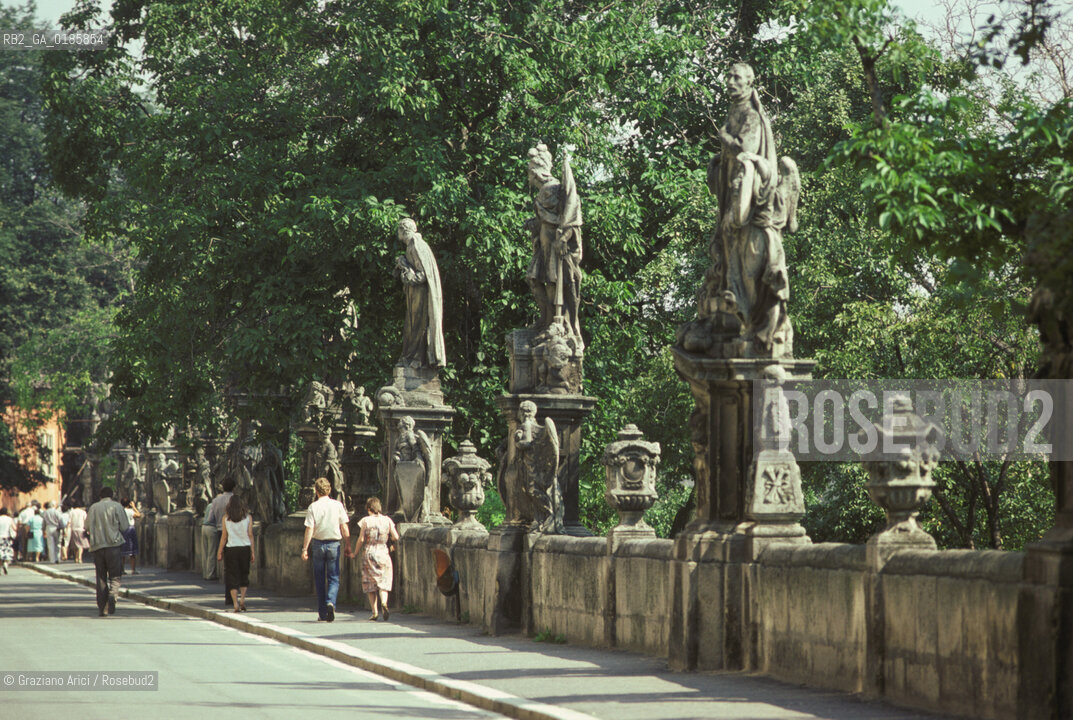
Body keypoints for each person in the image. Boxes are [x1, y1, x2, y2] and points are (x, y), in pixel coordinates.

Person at [394, 218, 446, 369]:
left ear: (404, 230)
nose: (398, 233)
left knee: (417, 326)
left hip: (421, 294)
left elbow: (423, 275)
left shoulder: (416, 245)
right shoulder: (411, 246)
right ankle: (410, 358)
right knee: (411, 326)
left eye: (399, 230)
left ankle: (416, 359)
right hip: (414, 294)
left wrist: (409, 276)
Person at [301, 477, 350, 622]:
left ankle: (322, 612)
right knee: (334, 577)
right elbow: (344, 527)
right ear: (329, 490)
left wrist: (305, 548)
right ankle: (331, 602)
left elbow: (309, 528)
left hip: (318, 544)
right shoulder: (338, 505)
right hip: (334, 543)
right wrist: (348, 544)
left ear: (316, 491)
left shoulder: (313, 507)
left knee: (320, 578)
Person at [351, 497, 399, 621]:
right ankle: (384, 602)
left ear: (368, 508)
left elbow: (361, 539)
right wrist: (391, 542)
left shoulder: (366, 521)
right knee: (383, 582)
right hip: (383, 552)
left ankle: (375, 612)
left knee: (370, 583)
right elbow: (396, 536)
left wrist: (355, 553)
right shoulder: (387, 520)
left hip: (369, 553)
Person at [87, 487, 130, 616]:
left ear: (100, 496)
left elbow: (87, 526)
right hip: (114, 545)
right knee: (115, 576)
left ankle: (102, 608)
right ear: (112, 495)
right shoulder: (117, 507)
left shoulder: (93, 508)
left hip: (97, 546)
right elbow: (125, 526)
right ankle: (113, 594)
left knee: (101, 577)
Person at [216, 494, 254, 613]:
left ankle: (235, 603)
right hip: (245, 548)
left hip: (231, 549)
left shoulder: (226, 518)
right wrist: (252, 551)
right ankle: (242, 599)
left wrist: (220, 551)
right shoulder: (248, 517)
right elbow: (250, 535)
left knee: (232, 577)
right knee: (244, 574)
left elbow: (224, 537)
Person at [203, 476, 236, 605]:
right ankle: (232, 592)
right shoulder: (235, 499)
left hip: (219, 530)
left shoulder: (216, 500)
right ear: (234, 487)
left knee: (225, 561)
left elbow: (210, 517)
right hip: (233, 531)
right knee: (234, 563)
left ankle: (227, 590)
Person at [120, 498, 141, 574]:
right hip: (130, 530)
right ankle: (133, 570)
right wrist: (134, 507)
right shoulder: (130, 511)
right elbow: (139, 515)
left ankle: (122, 570)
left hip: (122, 530)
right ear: (129, 504)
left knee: (122, 552)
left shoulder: (120, 511)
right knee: (132, 552)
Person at [0, 508, 15, 574]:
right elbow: (15, 528)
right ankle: (5, 564)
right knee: (6, 552)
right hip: (7, 537)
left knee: (0, 552)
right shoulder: (9, 519)